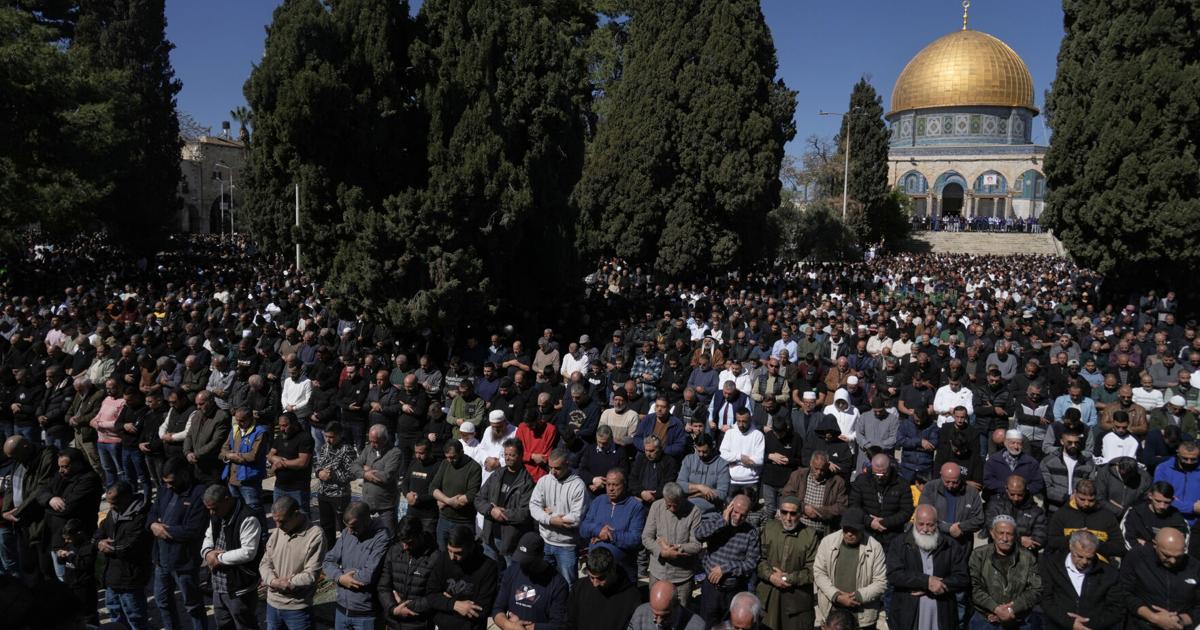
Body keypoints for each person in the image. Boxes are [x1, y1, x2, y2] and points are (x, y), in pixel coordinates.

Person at [149, 456, 210, 630]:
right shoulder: (164, 490)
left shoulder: (199, 493)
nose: (169, 486)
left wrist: (165, 531)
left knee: (193, 606)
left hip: (183, 561)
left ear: (184, 474)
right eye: (166, 482)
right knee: (162, 600)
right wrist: (153, 524)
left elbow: (194, 530)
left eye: (172, 482)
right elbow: (152, 513)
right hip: (161, 559)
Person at [886, 504, 969, 630]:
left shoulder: (950, 545)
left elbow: (962, 578)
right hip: (908, 614)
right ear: (914, 522)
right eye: (921, 524)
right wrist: (926, 581)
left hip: (942, 613)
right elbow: (894, 574)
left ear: (937, 524)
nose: (925, 529)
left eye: (930, 525)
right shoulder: (899, 543)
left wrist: (938, 585)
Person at [812, 507, 887, 630]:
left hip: (861, 615)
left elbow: (881, 582)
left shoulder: (875, 547)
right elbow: (819, 572)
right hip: (832, 610)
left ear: (862, 529)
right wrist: (837, 596)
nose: (849, 534)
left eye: (854, 530)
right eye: (846, 529)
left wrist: (857, 596)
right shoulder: (828, 542)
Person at [202, 483, 264, 630]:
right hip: (219, 585)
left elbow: (248, 552)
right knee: (223, 623)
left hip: (239, 587)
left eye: (214, 508)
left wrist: (218, 559)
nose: (212, 513)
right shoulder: (216, 514)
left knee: (245, 624)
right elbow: (208, 537)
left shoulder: (248, 518)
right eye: (209, 509)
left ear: (227, 500)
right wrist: (207, 553)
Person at [260, 495, 325, 630]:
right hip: (272, 604)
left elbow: (311, 574)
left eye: (282, 521)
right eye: (275, 521)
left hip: (297, 609)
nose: (278, 526)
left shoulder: (315, 535)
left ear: (296, 514)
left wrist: (289, 583)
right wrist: (272, 581)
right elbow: (265, 562)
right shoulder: (278, 532)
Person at [756, 495, 820, 630]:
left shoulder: (810, 535)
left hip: (796, 601)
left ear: (800, 514)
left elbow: (814, 570)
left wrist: (787, 578)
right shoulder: (769, 528)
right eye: (784, 512)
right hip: (769, 596)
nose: (788, 518)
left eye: (793, 513)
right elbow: (759, 559)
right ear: (779, 512)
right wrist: (771, 576)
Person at [695, 494, 761, 626]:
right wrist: (722, 522)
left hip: (733, 589)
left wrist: (725, 569)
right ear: (730, 507)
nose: (738, 517)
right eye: (735, 512)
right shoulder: (716, 519)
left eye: (743, 515)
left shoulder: (751, 532)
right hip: (712, 589)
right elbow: (699, 534)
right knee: (707, 624)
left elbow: (751, 563)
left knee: (729, 625)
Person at [968, 515, 1042, 630]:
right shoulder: (978, 555)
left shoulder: (1027, 558)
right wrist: (995, 608)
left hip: (1018, 620)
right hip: (985, 620)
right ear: (992, 533)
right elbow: (973, 587)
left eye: (1009, 534)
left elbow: (1035, 590)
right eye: (1001, 533)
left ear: (1015, 535)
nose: (1005, 538)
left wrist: (1011, 609)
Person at [323, 501, 390, 628]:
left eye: (353, 527)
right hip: (342, 609)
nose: (349, 531)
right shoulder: (346, 534)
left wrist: (342, 571)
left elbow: (368, 575)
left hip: (366, 615)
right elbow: (327, 561)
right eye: (346, 526)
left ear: (366, 521)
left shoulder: (381, 538)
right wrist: (340, 577)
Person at [96, 481, 152, 630]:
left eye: (114, 503)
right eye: (109, 503)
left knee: (136, 619)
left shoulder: (141, 516)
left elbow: (130, 545)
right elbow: (99, 534)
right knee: (115, 616)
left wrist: (108, 547)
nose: (111, 507)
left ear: (127, 498)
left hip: (130, 578)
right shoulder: (112, 513)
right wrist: (99, 543)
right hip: (112, 577)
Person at [1119, 528, 1200, 630]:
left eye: (1179, 556)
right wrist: (1153, 617)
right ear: (1155, 544)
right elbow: (1124, 592)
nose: (1173, 561)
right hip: (1142, 624)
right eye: (1167, 555)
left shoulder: (1194, 567)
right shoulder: (1137, 557)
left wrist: (1180, 620)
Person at [40, 447, 101, 582]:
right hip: (55, 535)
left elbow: (67, 508)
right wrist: (50, 499)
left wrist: (46, 506)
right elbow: (42, 491)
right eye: (60, 467)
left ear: (78, 464)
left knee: (74, 578)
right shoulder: (61, 475)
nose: (61, 470)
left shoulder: (89, 480)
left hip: (75, 540)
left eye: (65, 467)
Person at [1039, 530, 1122, 630]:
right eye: (1079, 556)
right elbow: (1046, 599)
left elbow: (1116, 609)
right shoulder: (1051, 566)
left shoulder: (1108, 573)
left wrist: (1088, 624)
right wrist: (1068, 622)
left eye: (1089, 558)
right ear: (1070, 546)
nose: (1084, 562)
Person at [423, 524, 500, 630]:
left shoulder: (488, 567)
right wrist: (455, 604)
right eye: (449, 550)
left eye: (457, 553)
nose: (452, 557)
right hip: (443, 625)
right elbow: (431, 595)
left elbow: (482, 610)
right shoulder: (444, 558)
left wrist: (445, 601)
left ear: (471, 547)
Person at [2, 435, 57, 577]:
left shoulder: (47, 456)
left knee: (45, 568)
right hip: (22, 523)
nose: (14, 460)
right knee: (28, 566)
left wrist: (18, 511)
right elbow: (11, 487)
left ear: (26, 447)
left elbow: (41, 488)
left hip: (40, 522)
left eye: (15, 456)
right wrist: (6, 510)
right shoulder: (19, 459)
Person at [529, 448, 586, 587]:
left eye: (558, 468)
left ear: (567, 464)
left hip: (566, 545)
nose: (553, 472)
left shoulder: (578, 485)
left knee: (568, 584)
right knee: (544, 583)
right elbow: (533, 506)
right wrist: (551, 519)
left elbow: (576, 518)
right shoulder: (544, 481)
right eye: (550, 467)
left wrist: (548, 513)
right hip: (545, 542)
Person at [474, 437, 534, 568]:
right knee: (490, 574)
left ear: (521, 455)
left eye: (512, 455)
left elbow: (525, 513)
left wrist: (501, 513)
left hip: (510, 540)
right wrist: (491, 510)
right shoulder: (497, 475)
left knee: (510, 576)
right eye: (506, 454)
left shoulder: (527, 482)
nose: (508, 458)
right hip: (489, 536)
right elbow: (478, 499)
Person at [490, 532, 569, 630]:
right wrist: (509, 626)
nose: (523, 565)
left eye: (528, 562)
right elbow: (498, 609)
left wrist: (528, 628)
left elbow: (559, 625)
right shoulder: (512, 571)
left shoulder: (558, 584)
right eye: (521, 560)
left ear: (541, 556)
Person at [642, 482, 702, 608]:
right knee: (656, 609)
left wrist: (677, 548)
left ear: (682, 499)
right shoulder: (656, 507)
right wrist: (662, 551)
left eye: (676, 505)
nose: (672, 509)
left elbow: (696, 545)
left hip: (682, 577)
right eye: (669, 505)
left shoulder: (694, 512)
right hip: (658, 573)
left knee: (681, 612)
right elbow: (646, 537)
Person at [579, 468, 646, 581]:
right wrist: (598, 531)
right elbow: (583, 528)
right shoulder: (598, 501)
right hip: (597, 573)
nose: (611, 489)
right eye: (608, 484)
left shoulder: (635, 507)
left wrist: (610, 535)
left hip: (622, 573)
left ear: (624, 485)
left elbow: (636, 539)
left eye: (615, 485)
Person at [376, 516, 438, 630]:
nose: (405, 547)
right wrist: (393, 609)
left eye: (409, 542)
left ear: (420, 535)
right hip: (393, 623)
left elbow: (436, 596)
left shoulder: (435, 558)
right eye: (402, 542)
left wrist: (408, 605)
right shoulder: (394, 551)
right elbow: (383, 587)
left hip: (419, 624)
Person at [564, 546, 641, 630]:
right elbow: (570, 622)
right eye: (591, 577)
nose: (595, 584)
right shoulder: (579, 587)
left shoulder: (632, 597)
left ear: (613, 570)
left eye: (600, 578)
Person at [1047, 479, 1124, 559]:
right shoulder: (1061, 514)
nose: (1086, 503)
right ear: (1075, 493)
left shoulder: (1107, 517)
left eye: (1091, 500)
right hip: (1067, 564)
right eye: (1082, 499)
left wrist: (1094, 543)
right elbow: (1052, 543)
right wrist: (1074, 538)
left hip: (1100, 566)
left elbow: (1120, 548)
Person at [849, 453, 913, 548]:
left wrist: (885, 522)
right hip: (866, 533)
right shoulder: (861, 481)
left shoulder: (901, 484)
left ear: (889, 468)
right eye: (876, 473)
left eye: (883, 473)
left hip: (892, 535)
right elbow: (854, 506)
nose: (880, 477)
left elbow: (906, 511)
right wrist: (869, 521)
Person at [220, 407, 270, 529]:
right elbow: (223, 450)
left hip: (249, 479)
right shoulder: (235, 429)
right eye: (237, 420)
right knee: (237, 508)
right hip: (232, 478)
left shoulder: (260, 432)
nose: (239, 423)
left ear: (250, 419)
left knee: (254, 508)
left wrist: (235, 456)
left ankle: (262, 535)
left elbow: (253, 456)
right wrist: (229, 455)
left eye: (242, 421)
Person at [429, 439, 482, 549]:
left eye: (453, 457)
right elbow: (433, 488)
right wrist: (447, 501)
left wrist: (443, 501)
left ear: (462, 452)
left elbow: (471, 495)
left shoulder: (474, 467)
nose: (450, 460)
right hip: (444, 519)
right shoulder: (445, 463)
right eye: (447, 457)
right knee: (443, 555)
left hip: (464, 522)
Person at [313, 420, 359, 549]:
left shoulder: (347, 450)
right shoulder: (325, 447)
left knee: (344, 526)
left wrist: (332, 475)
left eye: (331, 437)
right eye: (326, 436)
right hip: (323, 493)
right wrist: (319, 473)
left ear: (340, 435)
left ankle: (346, 551)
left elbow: (353, 474)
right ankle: (330, 551)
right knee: (326, 526)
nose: (328, 440)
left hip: (340, 495)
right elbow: (317, 464)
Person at [781, 452, 849, 537]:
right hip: (799, 527)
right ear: (810, 464)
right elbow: (787, 495)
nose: (819, 472)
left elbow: (842, 507)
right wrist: (803, 508)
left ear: (828, 466)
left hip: (823, 530)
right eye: (816, 468)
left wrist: (817, 512)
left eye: (822, 469)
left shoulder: (838, 482)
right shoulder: (798, 475)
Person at [919, 461, 985, 547]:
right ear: (941, 475)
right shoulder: (931, 488)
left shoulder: (971, 493)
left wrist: (961, 527)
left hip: (961, 542)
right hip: (934, 538)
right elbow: (924, 514)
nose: (951, 485)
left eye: (955, 482)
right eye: (947, 482)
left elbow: (979, 519)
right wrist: (949, 528)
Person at [984, 474, 1048, 552]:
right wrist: (1019, 540)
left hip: (1025, 556)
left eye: (1020, 495)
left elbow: (1040, 538)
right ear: (1006, 489)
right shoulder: (995, 505)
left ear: (1025, 490)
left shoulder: (1036, 511)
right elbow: (992, 530)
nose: (1016, 498)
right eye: (1012, 494)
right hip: (997, 552)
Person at [1041, 427, 1098, 514]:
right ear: (1062, 441)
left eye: (1076, 443)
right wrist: (1067, 498)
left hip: (1079, 510)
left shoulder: (1088, 463)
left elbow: (1091, 486)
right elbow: (1046, 489)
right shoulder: (1048, 462)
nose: (1073, 445)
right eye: (1070, 442)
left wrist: (1080, 499)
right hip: (1055, 509)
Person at [355, 424, 403, 527]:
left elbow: (387, 477)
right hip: (367, 501)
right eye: (370, 441)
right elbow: (355, 465)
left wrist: (369, 469)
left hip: (385, 504)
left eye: (375, 442)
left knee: (389, 534)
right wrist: (364, 474)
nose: (372, 444)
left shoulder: (395, 453)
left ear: (385, 439)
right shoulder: (368, 449)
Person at [268, 411, 315, 512]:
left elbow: (302, 462)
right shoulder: (280, 437)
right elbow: (270, 455)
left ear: (294, 424)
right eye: (280, 426)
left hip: (298, 488)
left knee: (301, 515)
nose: (281, 429)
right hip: (279, 486)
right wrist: (278, 460)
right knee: (278, 514)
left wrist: (282, 463)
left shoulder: (305, 438)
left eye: (285, 426)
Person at [1122, 481, 1189, 549]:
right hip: (1138, 557)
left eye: (1167, 502)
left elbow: (1181, 548)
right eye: (1158, 501)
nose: (1162, 506)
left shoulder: (1179, 521)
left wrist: (1146, 544)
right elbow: (1127, 539)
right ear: (1150, 496)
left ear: (1172, 500)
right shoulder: (1135, 513)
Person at [676, 433, 731, 513]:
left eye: (705, 451)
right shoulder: (688, 460)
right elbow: (680, 485)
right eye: (698, 451)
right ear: (695, 447)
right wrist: (700, 488)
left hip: (710, 512)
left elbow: (722, 494)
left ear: (712, 447)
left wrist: (694, 494)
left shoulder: (722, 465)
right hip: (687, 510)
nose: (701, 454)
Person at [184, 390, 231, 485]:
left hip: (212, 467)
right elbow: (189, 435)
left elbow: (216, 442)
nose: (198, 407)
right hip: (196, 466)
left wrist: (196, 454)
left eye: (201, 404)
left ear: (211, 401)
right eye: (197, 404)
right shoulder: (197, 415)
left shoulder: (221, 417)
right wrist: (187, 452)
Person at [982, 429, 1044, 499]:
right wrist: (1007, 488)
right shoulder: (993, 461)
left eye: (1019, 443)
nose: (1016, 447)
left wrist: (1021, 489)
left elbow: (1038, 484)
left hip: (1024, 500)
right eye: (1013, 443)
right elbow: (988, 481)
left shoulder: (1031, 463)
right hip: (999, 500)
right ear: (1005, 443)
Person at [626, 580, 706, 630]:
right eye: (655, 614)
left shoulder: (697, 626)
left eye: (665, 615)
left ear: (677, 603)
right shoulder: (640, 614)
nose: (659, 621)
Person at [1152, 441, 1200, 524]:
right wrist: (1192, 507)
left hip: (1196, 522)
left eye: (1193, 459)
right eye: (1185, 458)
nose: (1189, 462)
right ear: (1178, 453)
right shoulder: (1163, 469)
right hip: (1169, 518)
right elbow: (1161, 497)